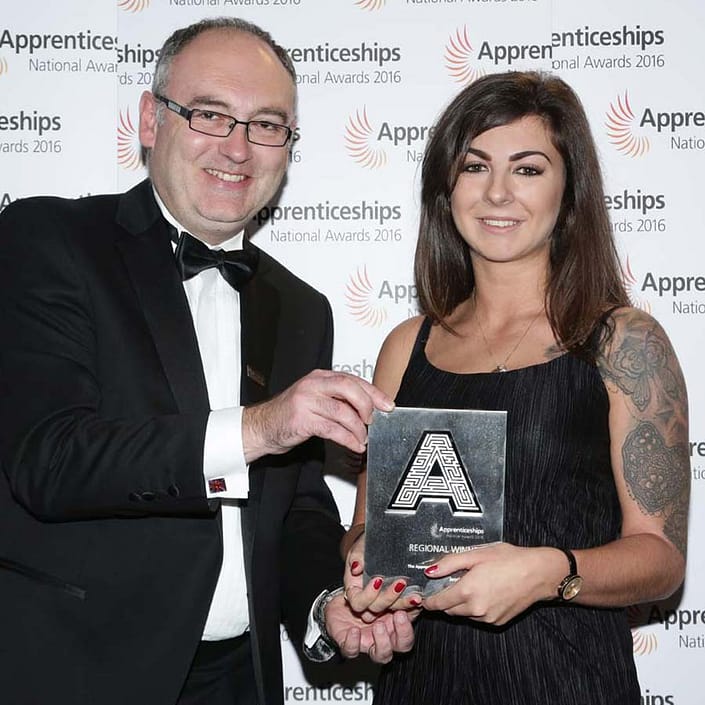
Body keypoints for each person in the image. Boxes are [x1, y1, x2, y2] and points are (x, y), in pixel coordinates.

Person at [0, 17, 413, 705]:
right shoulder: (48, 240)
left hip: (238, 680)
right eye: (210, 114)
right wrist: (257, 427)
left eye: (266, 124)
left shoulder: (301, 306)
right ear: (150, 120)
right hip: (75, 669)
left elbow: (294, 506)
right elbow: (50, 460)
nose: (238, 147)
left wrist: (324, 605)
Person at [338, 71, 690, 704]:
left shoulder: (623, 342)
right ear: (445, 189)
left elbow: (661, 559)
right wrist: (364, 566)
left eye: (527, 169)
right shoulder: (404, 348)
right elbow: (365, 530)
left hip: (569, 682)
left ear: (569, 191)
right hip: (419, 683)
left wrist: (550, 572)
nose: (497, 192)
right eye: (475, 167)